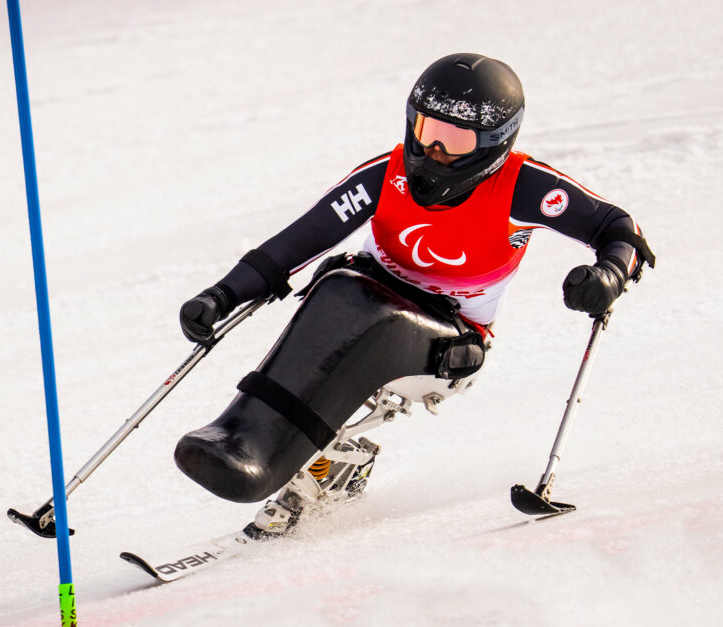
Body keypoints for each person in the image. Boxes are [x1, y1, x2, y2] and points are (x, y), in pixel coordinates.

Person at [171, 53, 654, 528]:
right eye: (426, 131)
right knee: (338, 292)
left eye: (455, 139)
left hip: (452, 341)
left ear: (494, 142)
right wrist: (223, 295)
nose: (434, 152)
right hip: (357, 300)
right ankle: (243, 437)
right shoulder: (388, 174)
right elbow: (302, 239)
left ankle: (263, 454)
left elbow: (618, 228)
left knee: (351, 302)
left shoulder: (523, 188)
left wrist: (609, 275)